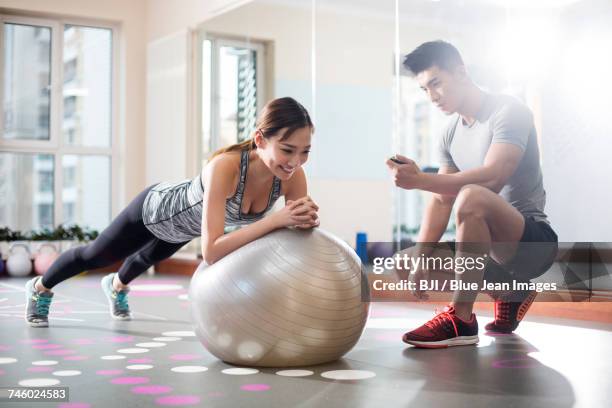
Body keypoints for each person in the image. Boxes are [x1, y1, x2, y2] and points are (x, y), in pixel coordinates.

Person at [25, 97, 319, 327]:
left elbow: (295, 237)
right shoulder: (226, 167)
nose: (295, 161)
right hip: (155, 210)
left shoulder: (292, 178)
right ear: (260, 140)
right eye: (287, 149)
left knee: (147, 258)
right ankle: (40, 288)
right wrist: (277, 220)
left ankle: (115, 286)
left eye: (305, 151)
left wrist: (306, 222)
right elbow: (212, 251)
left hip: (186, 227)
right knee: (97, 256)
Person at [386, 41, 558, 348]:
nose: (432, 96)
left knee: (471, 196)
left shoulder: (510, 110)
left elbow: (493, 176)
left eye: (436, 83)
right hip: (489, 251)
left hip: (531, 242)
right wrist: (421, 259)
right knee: (404, 261)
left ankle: (461, 319)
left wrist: (419, 180)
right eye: (425, 89)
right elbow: (441, 200)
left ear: (461, 72)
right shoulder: (449, 132)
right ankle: (511, 290)